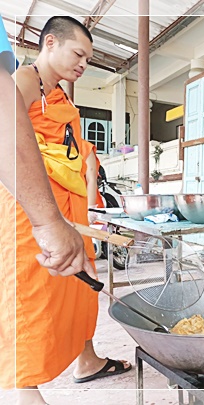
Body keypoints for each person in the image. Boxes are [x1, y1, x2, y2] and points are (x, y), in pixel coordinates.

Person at [2, 16, 130, 404]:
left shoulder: (60, 94)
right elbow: (10, 138)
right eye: (78, 54)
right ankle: (24, 391)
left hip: (69, 209)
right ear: (50, 43)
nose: (83, 64)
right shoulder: (25, 81)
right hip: (31, 213)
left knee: (79, 288)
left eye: (88, 59)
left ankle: (87, 360)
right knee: (32, 297)